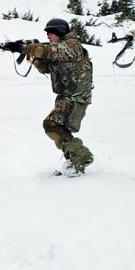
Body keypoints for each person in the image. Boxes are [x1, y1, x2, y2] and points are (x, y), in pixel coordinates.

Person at [23, 18, 95, 176]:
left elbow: (51, 50)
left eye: (50, 33)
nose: (48, 36)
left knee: (52, 124)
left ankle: (81, 157)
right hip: (68, 96)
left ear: (59, 32)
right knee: (53, 126)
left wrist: (35, 49)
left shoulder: (72, 46)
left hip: (76, 97)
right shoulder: (59, 50)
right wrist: (33, 56)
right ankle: (75, 161)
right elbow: (47, 67)